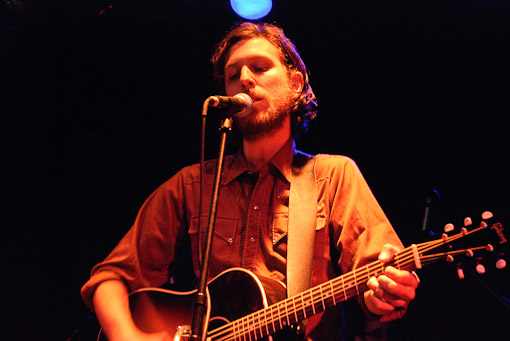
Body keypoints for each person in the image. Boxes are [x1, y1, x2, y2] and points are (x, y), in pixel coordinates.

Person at [81, 22, 419, 340]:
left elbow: (377, 282)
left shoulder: (332, 176)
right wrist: (128, 336)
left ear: (296, 84)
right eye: (233, 74)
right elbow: (110, 279)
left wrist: (383, 296)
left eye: (259, 67)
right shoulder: (193, 183)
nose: (244, 78)